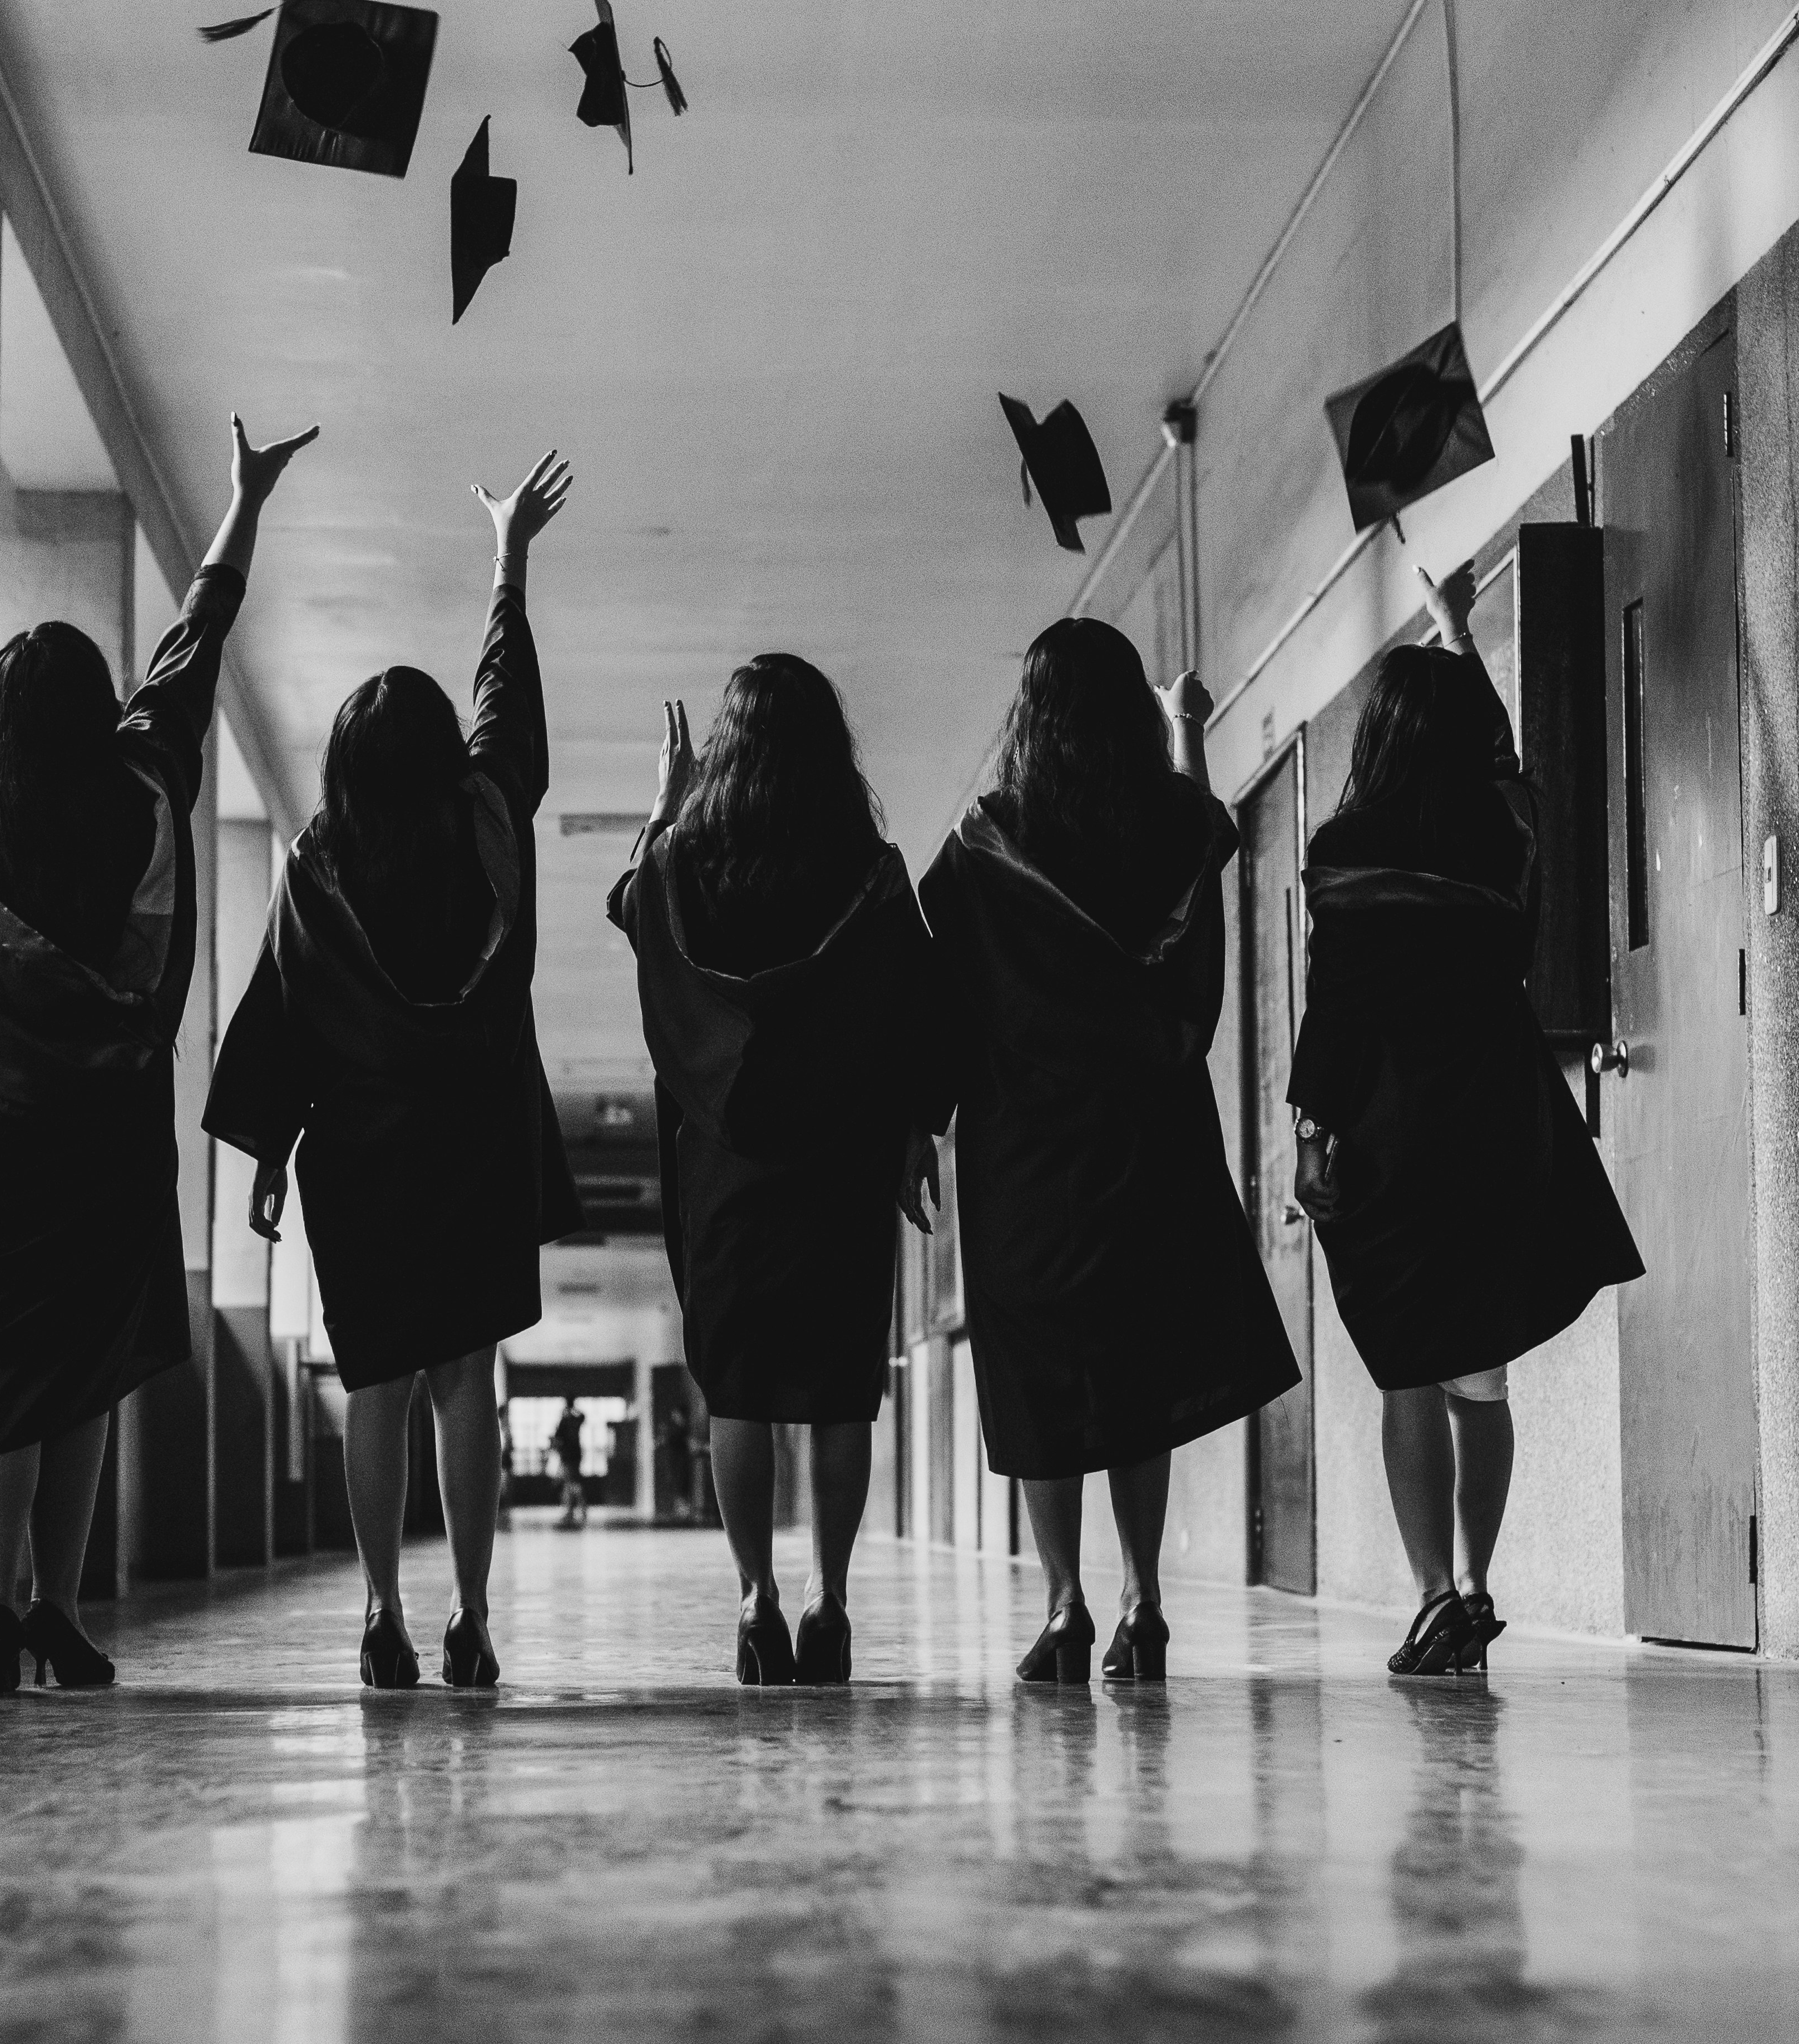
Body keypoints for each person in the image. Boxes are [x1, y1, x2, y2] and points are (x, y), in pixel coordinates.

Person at [0, 414, 319, 1698]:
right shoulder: (144, 788)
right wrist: (244, 500)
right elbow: (197, 636)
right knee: (81, 1372)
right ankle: (57, 1603)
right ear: (94, 709)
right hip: (105, 1145)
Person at [204, 453, 581, 1691]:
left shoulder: (317, 867)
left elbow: (283, 1007)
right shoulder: (488, 822)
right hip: (477, 1144)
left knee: (377, 1382)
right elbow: (503, 705)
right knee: (468, 1381)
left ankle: (381, 1612)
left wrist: (269, 1150)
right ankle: (471, 1616)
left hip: (362, 1159)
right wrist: (507, 558)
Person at [917, 617, 1299, 1685]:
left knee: (1039, 1379)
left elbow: (945, 1008)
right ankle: (1142, 1598)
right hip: (1148, 1140)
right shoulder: (1164, 819)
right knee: (1137, 1375)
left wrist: (918, 1121)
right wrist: (1189, 734)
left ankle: (1063, 1604)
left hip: (1025, 1154)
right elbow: (1202, 871)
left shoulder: (982, 849)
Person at [1289, 568, 1643, 1676]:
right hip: (1497, 1116)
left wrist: (1311, 1132)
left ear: (1376, 738)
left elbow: (1338, 1002)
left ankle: (1433, 1594)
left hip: (1390, 1126)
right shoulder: (1504, 831)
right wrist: (1460, 634)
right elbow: (1504, 761)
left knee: (1409, 1366)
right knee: (1479, 1375)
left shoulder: (1346, 850)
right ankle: (1478, 1585)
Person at [610, 656, 940, 1685]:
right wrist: (916, 1130)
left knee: (738, 1390)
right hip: (841, 1159)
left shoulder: (686, 860)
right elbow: (914, 1002)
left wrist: (664, 807)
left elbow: (632, 910)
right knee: (841, 1391)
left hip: (726, 1161)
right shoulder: (870, 870)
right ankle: (827, 1597)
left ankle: (754, 1598)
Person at [550, 1398, 588, 1529]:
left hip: (568, 1457)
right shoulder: (575, 1420)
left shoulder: (565, 1421)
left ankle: (575, 1509)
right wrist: (574, 1410)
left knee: (571, 1483)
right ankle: (575, 1509)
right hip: (576, 1455)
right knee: (572, 1482)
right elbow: (583, 1416)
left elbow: (557, 1439)